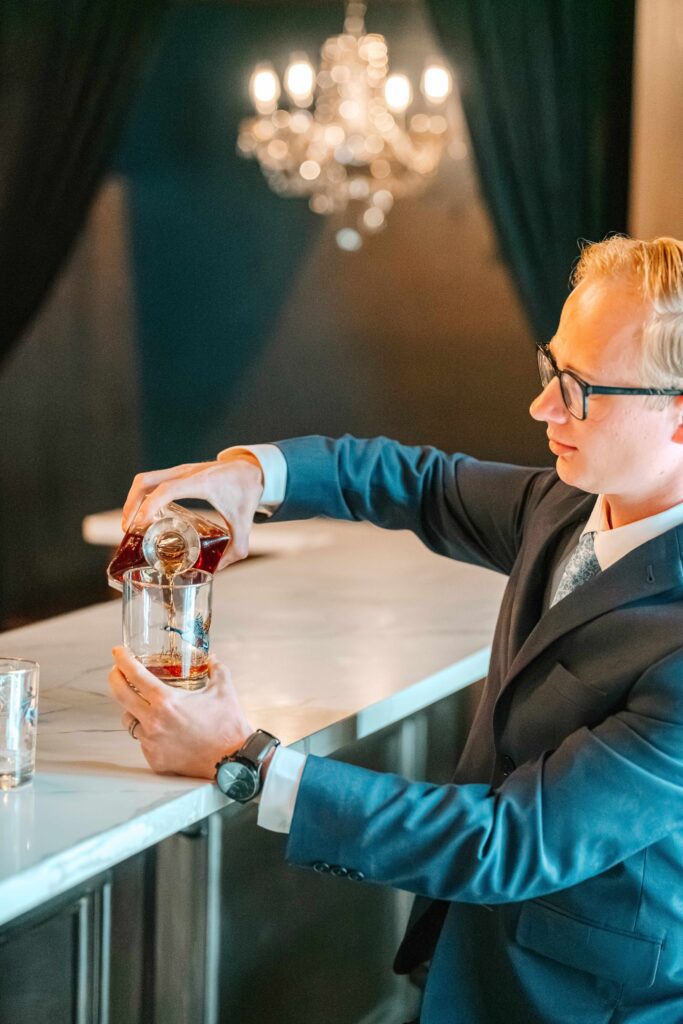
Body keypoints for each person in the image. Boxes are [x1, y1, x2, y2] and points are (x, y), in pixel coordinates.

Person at [109, 236, 683, 1024]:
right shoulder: (563, 504)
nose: (541, 407)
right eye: (550, 368)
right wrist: (253, 473)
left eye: (579, 389)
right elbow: (415, 480)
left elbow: (510, 840)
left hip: (589, 999)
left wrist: (244, 759)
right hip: (473, 957)